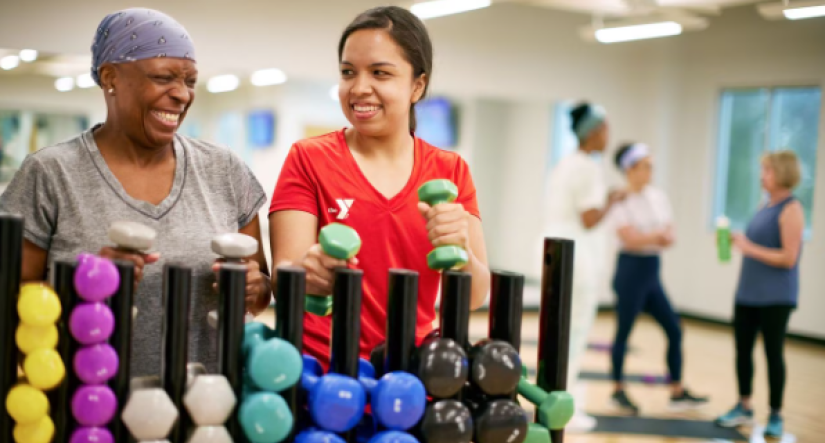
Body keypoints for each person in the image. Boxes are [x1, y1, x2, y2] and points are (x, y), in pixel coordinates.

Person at [0, 8, 272, 376]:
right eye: (163, 78)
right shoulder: (50, 173)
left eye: (190, 81)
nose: (181, 94)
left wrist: (254, 286)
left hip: (208, 410)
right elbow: (11, 306)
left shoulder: (224, 170)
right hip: (89, 408)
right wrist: (85, 293)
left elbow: (261, 291)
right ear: (110, 77)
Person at [268, 6, 490, 369]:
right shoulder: (308, 158)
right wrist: (310, 272)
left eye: (380, 73)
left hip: (411, 373)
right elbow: (284, 278)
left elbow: (474, 296)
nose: (359, 88)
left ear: (417, 85)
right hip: (321, 371)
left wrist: (461, 248)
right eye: (347, 72)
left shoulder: (450, 171)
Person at [608, 142, 708, 415]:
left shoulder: (658, 197)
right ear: (630, 169)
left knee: (674, 329)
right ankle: (617, 390)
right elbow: (628, 237)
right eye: (646, 166)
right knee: (624, 332)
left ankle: (677, 391)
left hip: (651, 271)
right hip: (629, 271)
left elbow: (669, 235)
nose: (651, 171)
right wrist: (654, 236)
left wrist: (648, 237)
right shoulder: (620, 199)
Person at [541, 102, 624, 431]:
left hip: (556, 257)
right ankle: (564, 406)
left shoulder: (564, 164)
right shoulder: (588, 168)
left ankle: (551, 396)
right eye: (605, 129)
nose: (608, 136)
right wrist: (613, 201)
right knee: (572, 334)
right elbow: (589, 218)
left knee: (558, 332)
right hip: (577, 261)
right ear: (592, 132)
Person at [715, 150, 804, 439]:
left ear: (781, 174)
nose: (761, 176)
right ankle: (744, 405)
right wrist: (738, 241)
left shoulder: (792, 209)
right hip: (748, 293)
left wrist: (748, 247)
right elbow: (758, 244)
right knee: (743, 351)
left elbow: (789, 257)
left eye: (766, 171)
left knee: (772, 354)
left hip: (776, 297)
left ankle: (776, 413)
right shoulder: (764, 204)